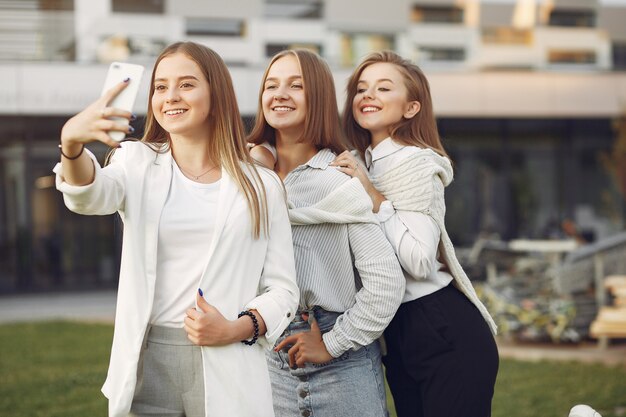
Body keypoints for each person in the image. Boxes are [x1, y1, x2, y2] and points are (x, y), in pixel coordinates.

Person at [54, 41, 299, 417]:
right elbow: (90, 197)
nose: (170, 96)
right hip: (148, 356)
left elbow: (283, 287)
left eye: (186, 84)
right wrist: (71, 144)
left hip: (225, 357)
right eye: (160, 86)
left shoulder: (262, 185)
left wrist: (236, 328)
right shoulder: (134, 162)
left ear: (215, 96)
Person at [332, 51, 499, 417]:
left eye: (383, 87)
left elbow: (420, 261)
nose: (368, 95)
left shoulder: (416, 163)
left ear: (410, 108)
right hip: (397, 333)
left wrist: (374, 197)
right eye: (361, 88)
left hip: (441, 325)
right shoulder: (360, 161)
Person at [247, 49, 405, 417]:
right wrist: (256, 168)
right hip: (267, 355)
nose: (280, 94)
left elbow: (385, 284)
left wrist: (332, 344)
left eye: (296, 86)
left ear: (317, 97)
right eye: (272, 85)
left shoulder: (340, 181)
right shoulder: (244, 177)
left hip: (342, 362)